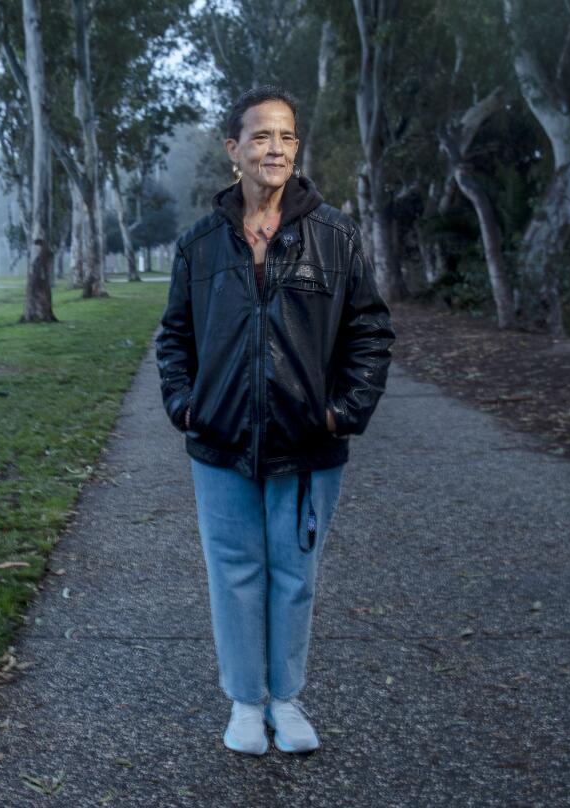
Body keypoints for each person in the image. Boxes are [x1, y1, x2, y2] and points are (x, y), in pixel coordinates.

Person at [155, 85, 395, 756]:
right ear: (233, 151)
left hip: (308, 443)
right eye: (261, 136)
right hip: (220, 441)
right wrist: (185, 404)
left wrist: (341, 410)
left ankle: (286, 701)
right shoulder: (200, 245)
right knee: (234, 572)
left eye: (287, 136)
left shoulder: (336, 235)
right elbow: (174, 338)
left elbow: (370, 332)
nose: (276, 148)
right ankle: (243, 701)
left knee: (294, 575)